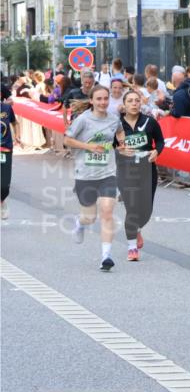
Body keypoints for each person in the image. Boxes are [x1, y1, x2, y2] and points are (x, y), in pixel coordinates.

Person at [62, 85, 123, 272]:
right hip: (85, 174)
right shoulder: (83, 119)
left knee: (107, 212)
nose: (103, 102)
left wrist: (123, 144)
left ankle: (106, 256)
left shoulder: (114, 119)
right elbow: (67, 140)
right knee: (89, 218)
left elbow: (119, 132)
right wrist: (89, 147)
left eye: (105, 98)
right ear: (91, 101)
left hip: (107, 173)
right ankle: (80, 223)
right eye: (99, 99)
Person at [116, 89, 164, 261]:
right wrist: (119, 150)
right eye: (130, 101)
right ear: (124, 105)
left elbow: (160, 141)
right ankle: (132, 248)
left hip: (147, 169)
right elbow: (108, 145)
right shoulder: (117, 125)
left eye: (137, 100)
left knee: (145, 211)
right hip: (126, 171)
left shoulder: (150, 122)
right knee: (132, 209)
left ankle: (137, 229)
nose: (134, 104)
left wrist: (156, 151)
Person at [1, 93, 20, 219]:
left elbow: (15, 123)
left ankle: (2, 200)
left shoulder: (6, 108)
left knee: (4, 185)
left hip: (5, 149)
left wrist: (17, 135)